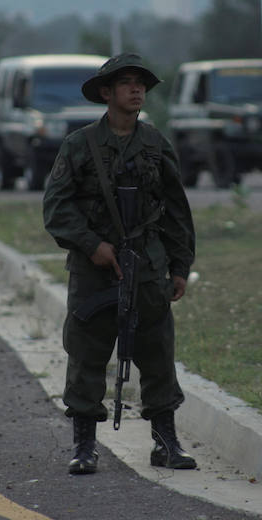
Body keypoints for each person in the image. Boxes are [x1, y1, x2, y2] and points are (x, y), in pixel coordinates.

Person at [42, 53, 197, 475]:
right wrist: (93, 246)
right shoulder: (79, 145)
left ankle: (166, 442)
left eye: (141, 83)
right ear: (106, 93)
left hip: (146, 265)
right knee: (87, 353)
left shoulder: (155, 143)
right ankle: (84, 446)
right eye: (126, 82)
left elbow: (176, 210)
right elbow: (56, 208)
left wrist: (179, 266)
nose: (136, 89)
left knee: (157, 352)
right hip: (95, 270)